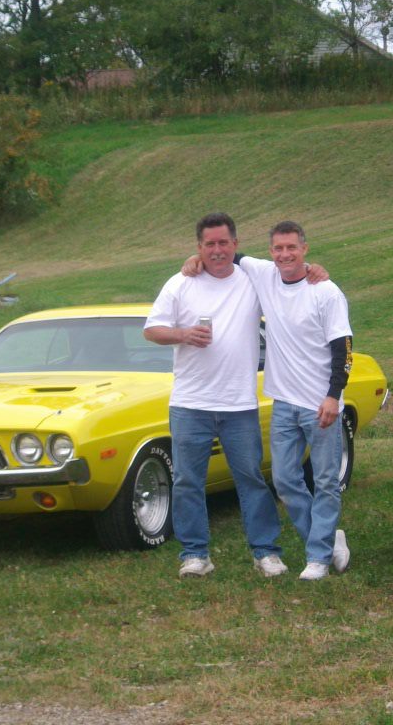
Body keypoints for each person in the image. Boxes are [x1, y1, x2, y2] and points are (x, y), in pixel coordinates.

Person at [144, 213, 288, 579]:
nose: (217, 250)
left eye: (224, 242)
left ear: (235, 245)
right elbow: (152, 329)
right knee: (187, 481)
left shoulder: (252, 282)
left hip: (239, 404)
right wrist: (183, 335)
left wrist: (315, 270)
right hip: (190, 404)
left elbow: (291, 273)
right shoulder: (181, 283)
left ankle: (266, 553)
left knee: (251, 478)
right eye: (209, 244)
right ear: (199, 247)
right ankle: (195, 555)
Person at [236, 221, 353, 581]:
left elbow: (344, 349)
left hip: (321, 405)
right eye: (278, 248)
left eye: (291, 247)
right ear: (270, 251)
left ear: (305, 248)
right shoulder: (264, 274)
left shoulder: (326, 292)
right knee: (285, 480)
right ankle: (328, 539)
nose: (285, 254)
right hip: (284, 402)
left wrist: (333, 396)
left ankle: (317, 558)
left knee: (326, 481)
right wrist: (194, 260)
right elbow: (228, 255)